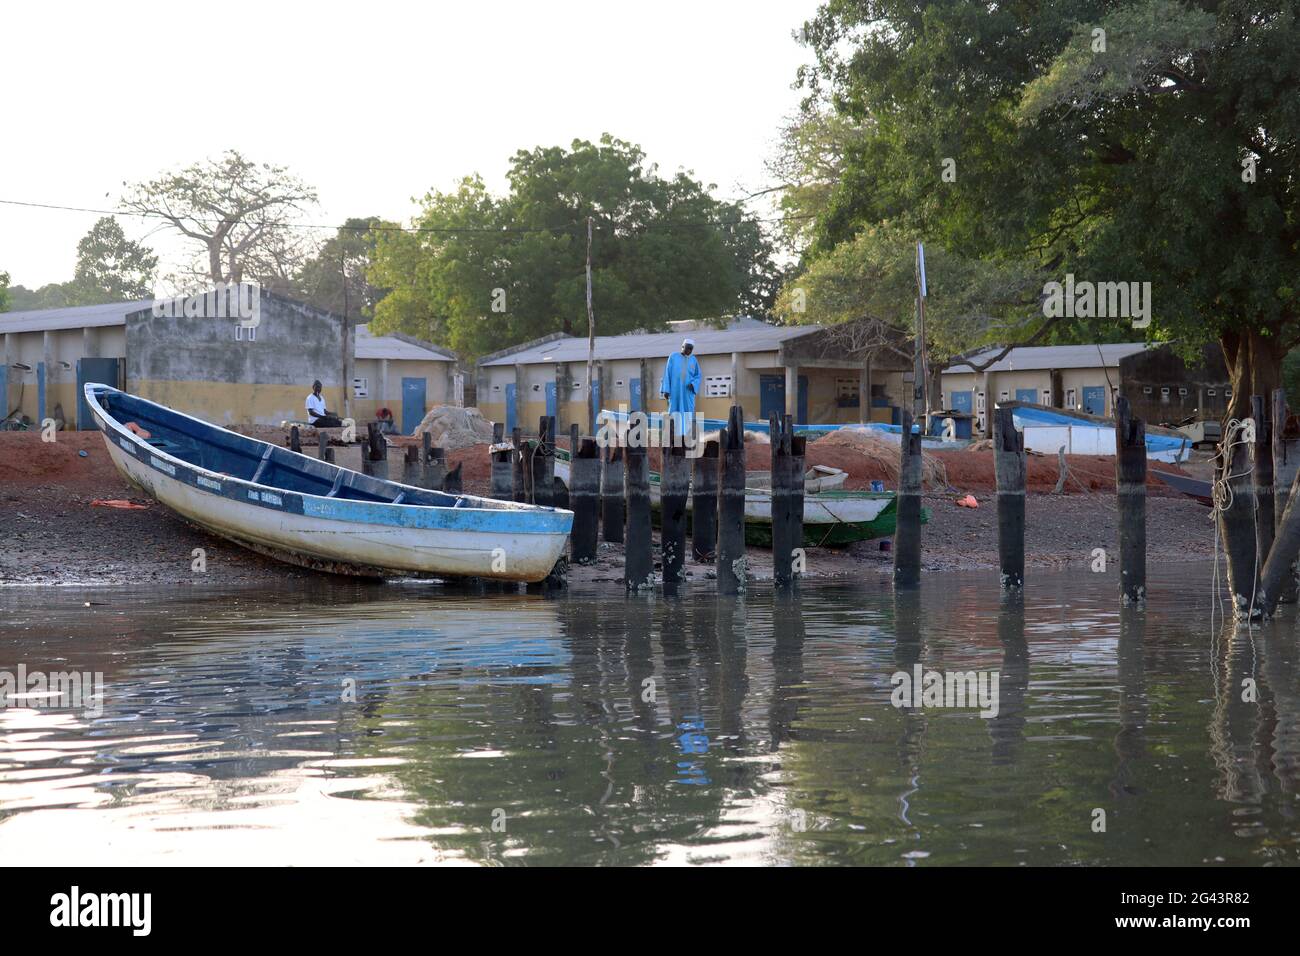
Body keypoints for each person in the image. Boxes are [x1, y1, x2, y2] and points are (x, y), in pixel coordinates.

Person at [660, 337, 702, 438]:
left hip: (688, 393)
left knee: (688, 412)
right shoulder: (673, 357)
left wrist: (693, 384)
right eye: (687, 348)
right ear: (682, 346)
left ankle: (687, 435)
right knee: (674, 411)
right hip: (675, 391)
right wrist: (666, 390)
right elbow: (667, 373)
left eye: (691, 349)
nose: (689, 351)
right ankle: (673, 435)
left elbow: (698, 375)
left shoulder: (693, 360)